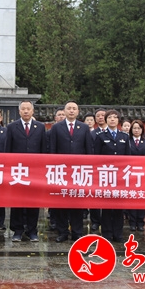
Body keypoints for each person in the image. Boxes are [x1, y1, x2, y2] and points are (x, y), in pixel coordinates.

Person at [49, 101, 93, 243]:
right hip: (61, 171)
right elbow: (52, 149)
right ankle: (62, 232)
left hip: (79, 172)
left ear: (78, 111)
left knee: (77, 203)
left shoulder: (84, 127)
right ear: (65, 111)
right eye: (69, 108)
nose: (72, 111)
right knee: (61, 203)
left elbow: (88, 150)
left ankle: (77, 232)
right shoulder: (56, 127)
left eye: (74, 108)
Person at [6, 101, 47, 242]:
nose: (26, 111)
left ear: (32, 111)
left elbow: (43, 149)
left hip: (34, 171)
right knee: (17, 201)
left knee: (33, 201)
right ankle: (17, 230)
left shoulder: (40, 127)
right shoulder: (12, 127)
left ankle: (32, 230)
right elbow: (7, 149)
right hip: (17, 171)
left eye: (28, 109)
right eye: (23, 109)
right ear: (19, 111)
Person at [94, 110, 131, 243]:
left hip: (120, 176)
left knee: (118, 207)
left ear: (118, 120)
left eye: (115, 117)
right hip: (106, 176)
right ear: (106, 120)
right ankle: (107, 233)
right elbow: (96, 157)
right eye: (110, 117)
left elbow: (128, 157)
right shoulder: (100, 136)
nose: (112, 119)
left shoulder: (124, 136)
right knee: (106, 207)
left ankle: (118, 234)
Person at [127, 119, 145, 232]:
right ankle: (132, 222)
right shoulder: (127, 141)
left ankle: (140, 222)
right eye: (134, 128)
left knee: (142, 198)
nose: (136, 130)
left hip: (143, 174)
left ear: (142, 130)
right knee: (132, 198)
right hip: (130, 174)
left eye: (139, 128)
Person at [47, 108, 67, 232]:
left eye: (63, 115)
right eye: (59, 115)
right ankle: (54, 221)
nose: (61, 117)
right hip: (55, 168)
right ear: (55, 118)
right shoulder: (50, 131)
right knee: (55, 196)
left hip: (70, 169)